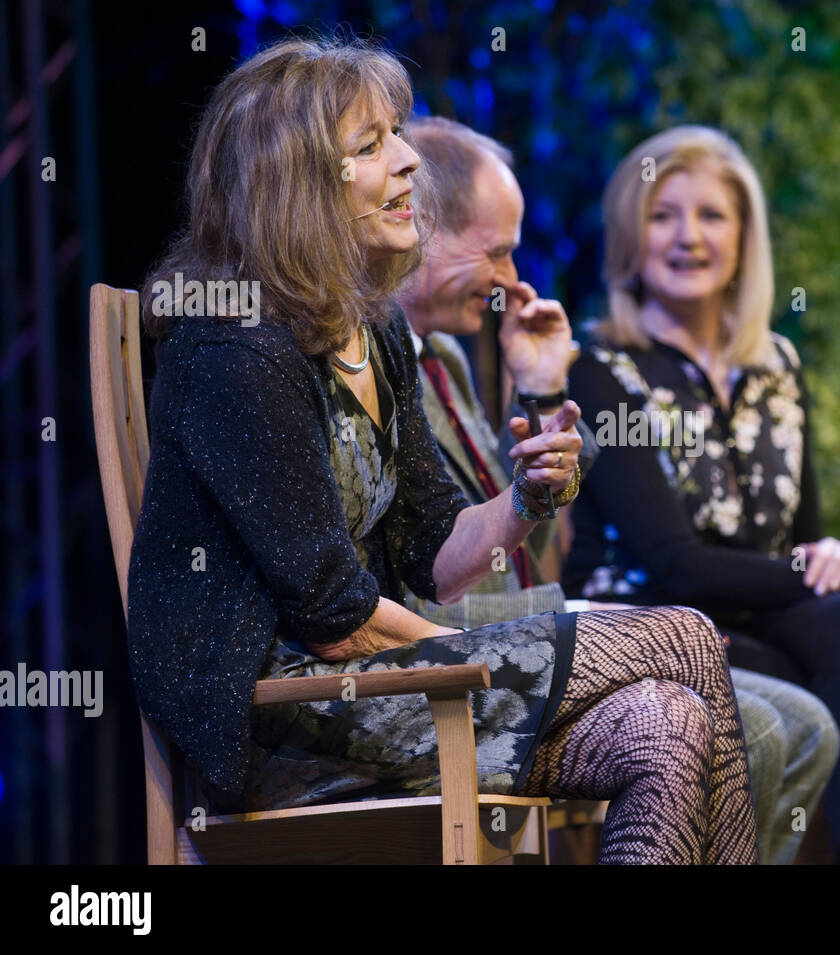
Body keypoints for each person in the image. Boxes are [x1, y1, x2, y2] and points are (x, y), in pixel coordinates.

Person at [127, 37, 757, 864]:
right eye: (371, 146)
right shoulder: (235, 349)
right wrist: (476, 651)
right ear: (299, 185)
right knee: (682, 635)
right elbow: (335, 621)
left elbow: (434, 554)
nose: (407, 162)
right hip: (283, 721)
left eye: (396, 134)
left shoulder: (377, 326)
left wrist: (527, 499)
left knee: (671, 723)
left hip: (390, 690)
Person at [395, 115, 839, 864]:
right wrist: (576, 609)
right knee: (751, 714)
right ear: (422, 229)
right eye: (497, 251)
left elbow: (513, 546)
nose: (511, 278)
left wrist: (537, 392)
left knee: (810, 720)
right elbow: (425, 585)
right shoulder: (366, 364)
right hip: (453, 664)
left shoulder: (448, 357)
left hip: (525, 631)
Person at [564, 125, 840, 863]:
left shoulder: (776, 362)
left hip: (760, 615)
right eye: (664, 215)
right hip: (656, 624)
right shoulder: (599, 371)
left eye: (712, 215)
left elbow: (802, 541)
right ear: (630, 235)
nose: (689, 236)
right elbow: (674, 561)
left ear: (745, 237)